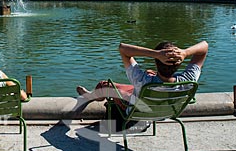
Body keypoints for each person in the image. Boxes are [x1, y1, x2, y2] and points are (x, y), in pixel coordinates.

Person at [76, 41, 208, 109]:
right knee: (149, 74)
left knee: (104, 85)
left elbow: (123, 48)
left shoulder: (142, 80)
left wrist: (155, 54)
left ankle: (91, 96)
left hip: (137, 110)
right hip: (165, 112)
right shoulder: (189, 79)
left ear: (157, 62)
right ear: (179, 63)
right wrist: (185, 52)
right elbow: (204, 47)